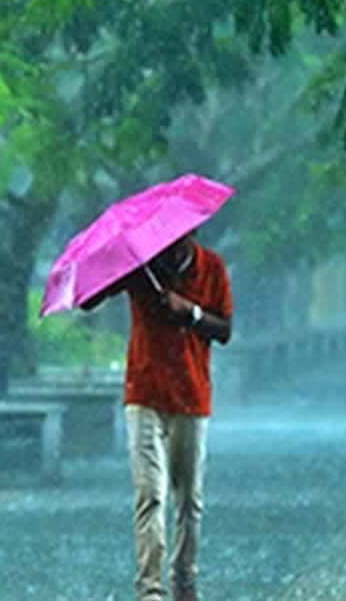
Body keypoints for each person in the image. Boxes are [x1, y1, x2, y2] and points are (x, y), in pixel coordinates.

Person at [85, 231, 233, 601]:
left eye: (178, 241)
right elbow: (89, 302)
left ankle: (184, 577)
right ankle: (150, 588)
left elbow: (225, 330)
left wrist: (191, 312)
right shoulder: (141, 266)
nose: (170, 248)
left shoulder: (211, 267)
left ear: (193, 235)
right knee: (150, 493)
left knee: (189, 498)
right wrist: (113, 264)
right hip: (145, 393)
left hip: (192, 395)